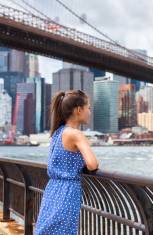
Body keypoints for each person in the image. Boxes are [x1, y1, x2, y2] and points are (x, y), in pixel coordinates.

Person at [34, 89, 99, 234]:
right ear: (78, 110)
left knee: (48, 228)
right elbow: (92, 164)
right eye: (88, 107)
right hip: (67, 191)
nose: (90, 111)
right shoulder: (75, 134)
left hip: (53, 189)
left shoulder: (58, 132)